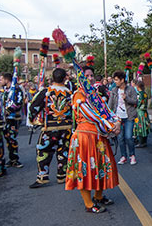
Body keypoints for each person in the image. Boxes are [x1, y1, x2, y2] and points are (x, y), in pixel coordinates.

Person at [64, 63, 121, 214]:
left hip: (99, 137)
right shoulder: (79, 95)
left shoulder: (95, 96)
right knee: (85, 169)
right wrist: (110, 125)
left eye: (91, 76)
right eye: (86, 76)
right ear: (80, 77)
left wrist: (117, 122)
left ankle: (98, 196)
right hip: (85, 137)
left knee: (102, 167)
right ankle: (89, 204)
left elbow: (107, 111)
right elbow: (91, 114)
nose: (89, 78)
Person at [28, 67, 72, 188]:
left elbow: (34, 107)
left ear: (52, 78)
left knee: (43, 150)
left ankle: (43, 176)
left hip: (50, 128)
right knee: (64, 150)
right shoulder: (69, 93)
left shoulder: (46, 92)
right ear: (64, 79)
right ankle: (62, 175)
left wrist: (32, 120)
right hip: (66, 127)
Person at [108, 70, 138, 165]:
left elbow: (135, 102)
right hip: (118, 118)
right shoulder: (114, 91)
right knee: (120, 138)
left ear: (122, 80)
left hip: (129, 116)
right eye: (114, 80)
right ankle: (123, 156)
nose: (115, 82)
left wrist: (126, 98)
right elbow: (110, 104)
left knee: (128, 137)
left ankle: (132, 155)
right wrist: (109, 116)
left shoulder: (131, 89)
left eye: (116, 80)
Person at [0, 72, 23, 168]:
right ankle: (11, 158)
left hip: (13, 118)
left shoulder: (16, 90)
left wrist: (9, 110)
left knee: (12, 138)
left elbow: (19, 103)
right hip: (5, 119)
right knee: (7, 138)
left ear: (6, 80)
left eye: (1, 79)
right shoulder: (4, 90)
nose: (0, 81)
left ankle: (15, 159)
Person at [133, 79, 151, 148]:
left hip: (139, 112)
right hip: (145, 112)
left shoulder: (139, 94)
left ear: (137, 87)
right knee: (145, 126)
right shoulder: (145, 93)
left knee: (140, 126)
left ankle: (141, 142)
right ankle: (144, 142)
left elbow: (138, 103)